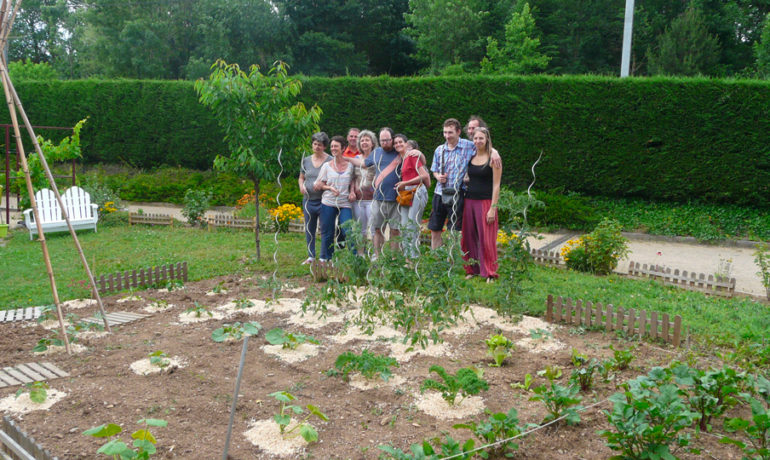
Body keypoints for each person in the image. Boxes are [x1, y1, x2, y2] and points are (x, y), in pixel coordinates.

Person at [428, 118, 501, 249]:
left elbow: (484, 144)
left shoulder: (468, 145)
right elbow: (434, 170)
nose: (447, 136)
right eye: (445, 132)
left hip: (457, 194)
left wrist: (494, 152)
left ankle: (452, 262)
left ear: (458, 132)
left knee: (454, 232)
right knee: (435, 229)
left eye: (450, 133)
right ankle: (436, 262)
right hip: (439, 193)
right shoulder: (439, 150)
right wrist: (438, 176)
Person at [344, 127, 401, 257]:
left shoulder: (399, 151)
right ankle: (376, 256)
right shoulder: (376, 153)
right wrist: (347, 159)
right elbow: (363, 164)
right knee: (377, 229)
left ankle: (394, 258)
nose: (385, 143)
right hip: (378, 198)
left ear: (392, 139)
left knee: (395, 230)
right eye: (382, 141)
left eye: (387, 140)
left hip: (395, 198)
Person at [461, 127, 501, 282]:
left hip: (485, 202)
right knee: (469, 237)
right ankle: (472, 269)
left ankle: (490, 272)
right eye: (475, 138)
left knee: (486, 238)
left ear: (487, 140)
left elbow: (497, 185)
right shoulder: (471, 155)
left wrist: (493, 208)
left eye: (481, 139)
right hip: (469, 201)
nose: (478, 141)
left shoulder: (494, 158)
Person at [315, 135, 356, 262]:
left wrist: (352, 191)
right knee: (327, 232)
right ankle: (328, 259)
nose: (333, 148)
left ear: (343, 148)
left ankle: (355, 260)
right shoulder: (326, 166)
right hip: (328, 202)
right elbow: (319, 184)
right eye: (332, 146)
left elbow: (354, 180)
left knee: (348, 230)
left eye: (336, 146)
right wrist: (330, 188)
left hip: (345, 202)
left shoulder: (350, 165)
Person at [394, 135, 430, 258]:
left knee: (412, 225)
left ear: (405, 143)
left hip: (417, 191)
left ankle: (413, 258)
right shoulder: (402, 159)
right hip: (407, 193)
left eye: (400, 142)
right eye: (396, 143)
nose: (398, 144)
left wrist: (405, 183)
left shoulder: (411, 156)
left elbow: (424, 175)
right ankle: (407, 256)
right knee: (404, 225)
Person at [299, 132, 331, 264]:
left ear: (324, 147)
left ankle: (324, 257)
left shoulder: (330, 160)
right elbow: (301, 177)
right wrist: (301, 186)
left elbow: (333, 178)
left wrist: (323, 185)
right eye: (315, 144)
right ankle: (311, 256)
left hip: (324, 200)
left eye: (320, 145)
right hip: (308, 200)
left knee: (325, 229)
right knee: (309, 228)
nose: (317, 147)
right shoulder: (306, 160)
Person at [351, 130, 377, 241]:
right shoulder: (356, 159)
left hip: (373, 199)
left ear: (372, 143)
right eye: (362, 140)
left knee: (374, 228)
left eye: (367, 140)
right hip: (358, 200)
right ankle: (361, 254)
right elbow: (352, 177)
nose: (364, 142)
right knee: (360, 229)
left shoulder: (377, 158)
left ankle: (374, 254)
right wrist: (351, 191)